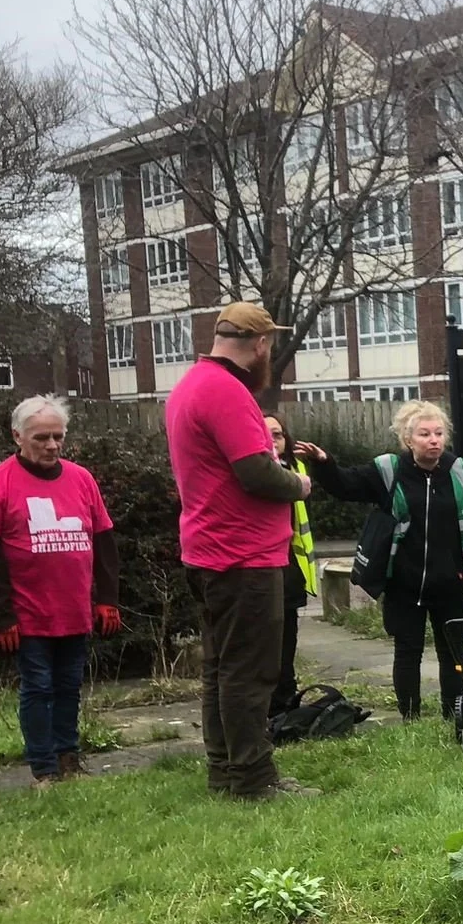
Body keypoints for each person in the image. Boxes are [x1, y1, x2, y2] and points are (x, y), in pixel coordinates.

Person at [298, 401, 463, 720]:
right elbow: (346, 485)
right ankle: (410, 717)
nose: (434, 440)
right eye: (425, 433)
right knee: (407, 652)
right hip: (403, 583)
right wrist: (324, 463)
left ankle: (454, 714)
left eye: (439, 433)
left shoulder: (459, 471)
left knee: (453, 653)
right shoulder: (388, 469)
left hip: (450, 582)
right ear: (407, 438)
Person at [163, 301, 315, 801]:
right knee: (250, 672)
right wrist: (300, 484)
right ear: (261, 343)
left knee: (221, 669)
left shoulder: (189, 386)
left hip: (208, 549)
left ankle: (225, 771)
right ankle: (253, 780)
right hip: (242, 555)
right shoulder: (227, 391)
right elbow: (256, 472)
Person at [0, 395, 121, 787]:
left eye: (58, 437)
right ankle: (44, 768)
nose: (52, 445)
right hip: (28, 615)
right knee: (38, 688)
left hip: (74, 610)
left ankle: (69, 758)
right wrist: (0, 617)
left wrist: (108, 598)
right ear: (18, 436)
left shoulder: (82, 479)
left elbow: (104, 541)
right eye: (41, 438)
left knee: (70, 686)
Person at [263, 414, 318, 718]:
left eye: (278, 434)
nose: (274, 440)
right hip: (261, 570)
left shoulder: (297, 469)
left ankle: (284, 706)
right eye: (266, 434)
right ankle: (267, 708)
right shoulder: (253, 473)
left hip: (290, 571)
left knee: (287, 646)